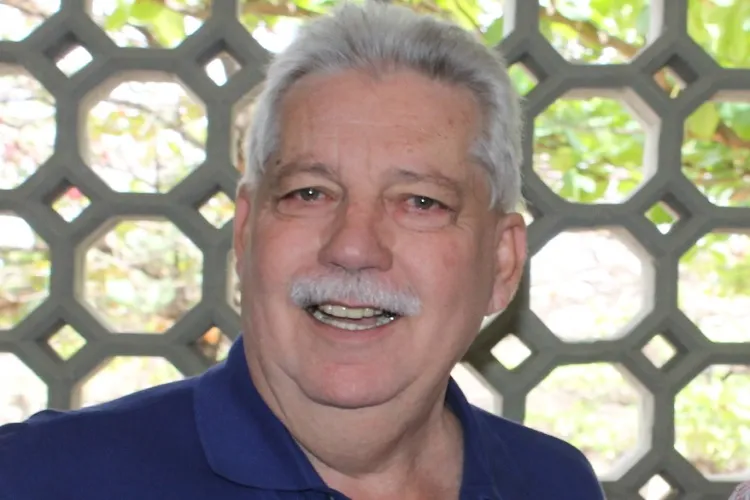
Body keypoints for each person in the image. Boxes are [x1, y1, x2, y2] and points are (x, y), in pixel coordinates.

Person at [0, 2, 605, 499]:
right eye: (309, 193)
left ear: (502, 263)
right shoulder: (40, 479)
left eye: (420, 202)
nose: (352, 247)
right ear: (245, 234)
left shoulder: (554, 484)